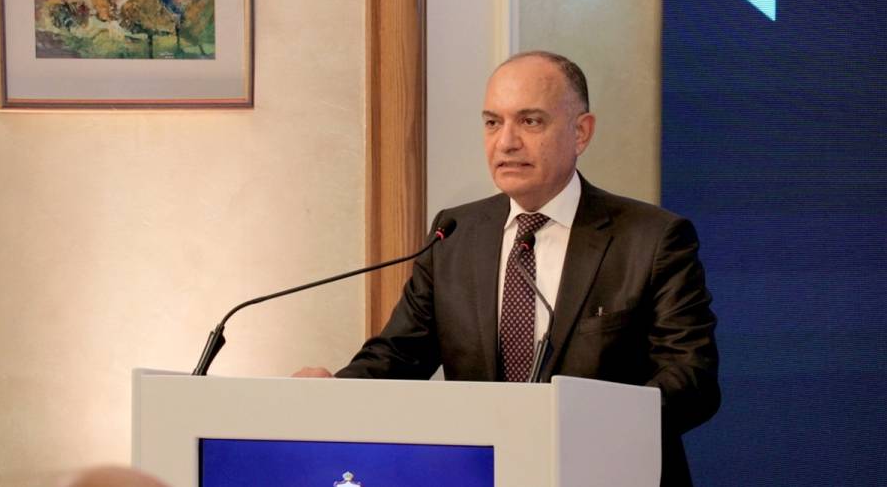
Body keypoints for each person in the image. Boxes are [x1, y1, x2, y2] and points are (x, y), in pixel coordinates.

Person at [296, 51, 720, 486]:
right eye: (492, 122)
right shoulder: (454, 233)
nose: (506, 142)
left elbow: (692, 378)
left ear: (581, 132)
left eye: (530, 121)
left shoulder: (652, 238)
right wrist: (332, 394)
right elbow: (398, 356)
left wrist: (584, 428)